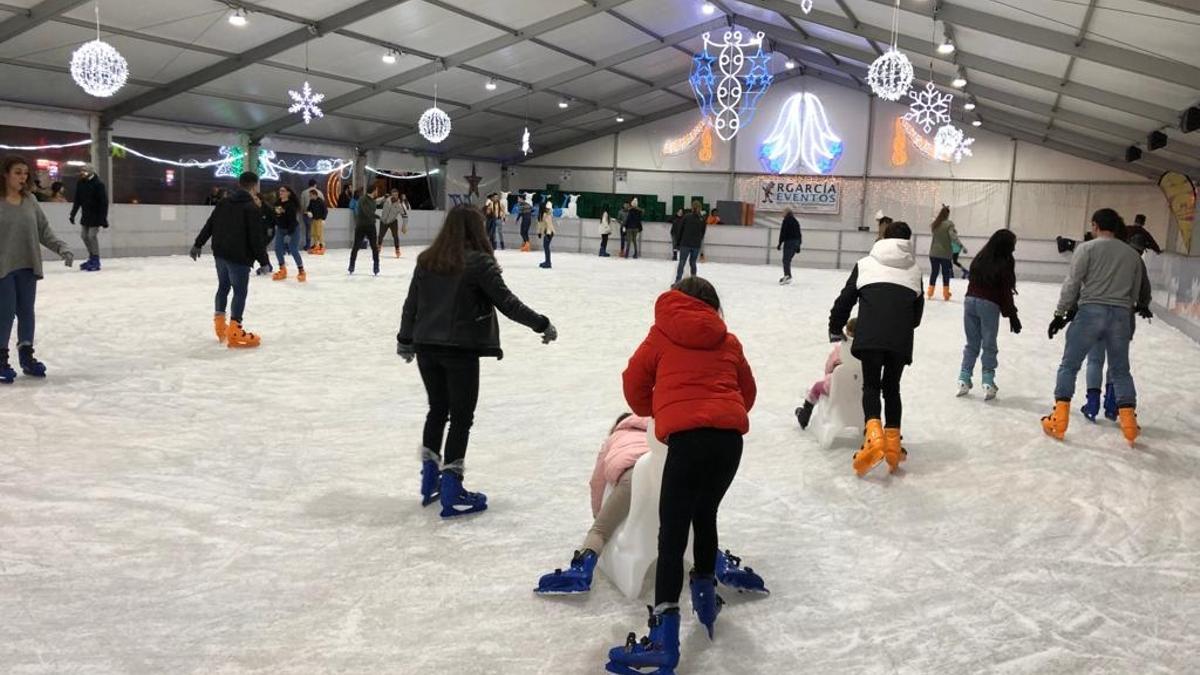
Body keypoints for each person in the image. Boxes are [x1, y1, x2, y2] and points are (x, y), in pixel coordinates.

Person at [608, 276, 756, 673]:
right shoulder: (728, 340)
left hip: (688, 442)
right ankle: (705, 597)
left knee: (671, 535)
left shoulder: (661, 334)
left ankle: (663, 638)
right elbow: (748, 394)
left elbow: (634, 384)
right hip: (728, 443)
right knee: (705, 515)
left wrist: (662, 410)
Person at [397, 205, 557, 518]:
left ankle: (430, 477)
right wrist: (542, 324)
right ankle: (452, 487)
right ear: (477, 229)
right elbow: (508, 304)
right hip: (460, 349)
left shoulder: (428, 260)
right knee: (461, 417)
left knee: (437, 409)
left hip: (426, 348)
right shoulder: (478, 263)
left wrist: (405, 340)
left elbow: (411, 304)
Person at [534, 413, 767, 597]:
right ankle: (720, 563)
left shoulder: (614, 437)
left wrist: (599, 515)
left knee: (600, 530)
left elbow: (597, 481)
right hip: (672, 474)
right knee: (698, 523)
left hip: (632, 477)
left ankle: (581, 570)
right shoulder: (661, 429)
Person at [1043, 208, 1150, 446]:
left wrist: (1060, 314)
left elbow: (1072, 283)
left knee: (1069, 365)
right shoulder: (1133, 255)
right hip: (1121, 315)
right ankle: (1129, 425)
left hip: (1090, 312)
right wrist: (1128, 319)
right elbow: (1134, 292)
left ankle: (1058, 420)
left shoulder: (1087, 248)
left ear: (1095, 225)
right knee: (1121, 370)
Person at [829, 221, 924, 477]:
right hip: (900, 339)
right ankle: (893, 444)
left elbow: (845, 299)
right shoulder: (915, 271)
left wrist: (835, 326)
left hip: (870, 336)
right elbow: (916, 317)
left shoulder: (865, 264)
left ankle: (874, 438)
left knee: (871, 386)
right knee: (892, 387)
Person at [0, 156, 74, 383]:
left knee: (26, 312)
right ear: (5, 175)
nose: (23, 177)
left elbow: (43, 230)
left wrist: (61, 248)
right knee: (5, 313)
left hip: (27, 264)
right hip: (3, 266)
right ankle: (1, 359)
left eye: (25, 173)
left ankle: (26, 356)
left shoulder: (30, 200)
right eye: (17, 173)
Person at [189, 171, 271, 349]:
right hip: (239, 257)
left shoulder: (224, 202)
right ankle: (235, 329)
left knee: (223, 287)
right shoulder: (251, 207)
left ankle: (220, 327)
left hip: (220, 253)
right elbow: (256, 238)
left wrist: (198, 244)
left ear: (239, 184)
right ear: (255, 185)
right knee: (240, 291)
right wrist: (264, 261)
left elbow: (210, 224)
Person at [956, 230, 1021, 400]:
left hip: (970, 301)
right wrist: (1012, 314)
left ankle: (964, 378)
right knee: (989, 343)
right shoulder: (1006, 260)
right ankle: (988, 381)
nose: (1014, 248)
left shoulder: (981, 256)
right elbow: (1005, 291)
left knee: (972, 343)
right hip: (988, 304)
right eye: (1013, 244)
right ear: (1006, 245)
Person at [795, 318, 857, 429]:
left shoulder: (841, 349)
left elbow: (828, 368)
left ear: (847, 332)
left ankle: (805, 414)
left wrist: (829, 374)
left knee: (816, 388)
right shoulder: (865, 350)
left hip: (837, 387)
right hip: (859, 388)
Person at [69, 163, 108, 272]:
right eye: (81, 171)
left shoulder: (98, 184)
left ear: (90, 172)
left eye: (84, 171)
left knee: (91, 236)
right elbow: (77, 200)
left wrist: (103, 218)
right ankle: (92, 257)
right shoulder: (81, 183)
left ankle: (95, 259)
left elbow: (103, 203)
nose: (82, 173)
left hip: (96, 216)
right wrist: (73, 214)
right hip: (86, 215)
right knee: (84, 236)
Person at [270, 186, 306, 282]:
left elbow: (292, 220)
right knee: (277, 248)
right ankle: (282, 269)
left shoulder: (291, 205)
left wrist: (289, 232)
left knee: (293, 249)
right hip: (281, 229)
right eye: (280, 191)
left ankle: (301, 270)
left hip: (293, 228)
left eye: (283, 191)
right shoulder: (277, 203)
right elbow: (276, 216)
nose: (280, 192)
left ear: (288, 193)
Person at [927, 204, 962, 301]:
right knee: (945, 273)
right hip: (945, 254)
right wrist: (960, 245)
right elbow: (953, 236)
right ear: (948, 214)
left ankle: (930, 292)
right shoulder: (949, 224)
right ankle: (946, 294)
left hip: (933, 252)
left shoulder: (935, 224)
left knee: (934, 272)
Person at [350, 185, 382, 276]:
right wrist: (377, 217)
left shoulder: (373, 201)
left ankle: (376, 266)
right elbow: (366, 212)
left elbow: (372, 209)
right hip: (361, 226)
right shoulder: (362, 200)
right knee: (356, 246)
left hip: (371, 226)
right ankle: (351, 265)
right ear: (373, 190)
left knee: (374, 247)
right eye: (376, 190)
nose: (377, 192)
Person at [674, 200, 706, 283]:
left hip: (685, 243)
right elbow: (702, 233)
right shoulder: (702, 219)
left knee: (682, 262)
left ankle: (678, 281)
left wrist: (677, 242)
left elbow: (680, 230)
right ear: (700, 208)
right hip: (696, 244)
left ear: (692, 207)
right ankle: (693, 282)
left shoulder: (686, 217)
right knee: (693, 263)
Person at [777, 208, 802, 285]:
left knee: (786, 260)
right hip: (796, 242)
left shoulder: (786, 220)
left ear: (786, 213)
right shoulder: (795, 221)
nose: (782, 214)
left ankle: (787, 276)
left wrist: (780, 243)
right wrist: (798, 245)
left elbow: (783, 232)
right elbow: (799, 234)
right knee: (788, 260)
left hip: (789, 242)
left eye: (783, 212)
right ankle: (788, 275)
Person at [380, 188, 405, 259]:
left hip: (393, 221)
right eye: (393, 195)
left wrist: (404, 225)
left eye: (396, 195)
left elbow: (404, 215)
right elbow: (377, 202)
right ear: (391, 195)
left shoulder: (399, 205)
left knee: (395, 236)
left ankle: (397, 250)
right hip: (384, 220)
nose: (395, 196)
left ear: (398, 195)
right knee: (381, 235)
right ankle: (378, 246)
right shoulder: (386, 199)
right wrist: (383, 197)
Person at [299, 179, 324, 251]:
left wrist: (304, 212)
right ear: (315, 184)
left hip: (307, 213)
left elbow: (302, 204)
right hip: (318, 215)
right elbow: (323, 204)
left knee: (309, 229)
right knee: (318, 231)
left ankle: (308, 245)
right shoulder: (320, 192)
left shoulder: (304, 192)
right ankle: (317, 244)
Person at [305, 185, 328, 255]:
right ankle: (316, 245)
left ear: (314, 195)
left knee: (319, 233)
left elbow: (325, 210)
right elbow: (308, 208)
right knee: (314, 233)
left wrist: (323, 219)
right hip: (314, 219)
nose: (310, 196)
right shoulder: (311, 201)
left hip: (319, 219)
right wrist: (308, 212)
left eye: (311, 195)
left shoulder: (321, 201)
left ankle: (322, 245)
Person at [536, 202, 555, 269]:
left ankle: (548, 263)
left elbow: (549, 224)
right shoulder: (541, 215)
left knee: (546, 247)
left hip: (549, 233)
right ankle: (547, 261)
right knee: (546, 247)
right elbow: (540, 224)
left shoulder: (546, 215)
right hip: (547, 233)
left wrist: (548, 234)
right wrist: (539, 232)